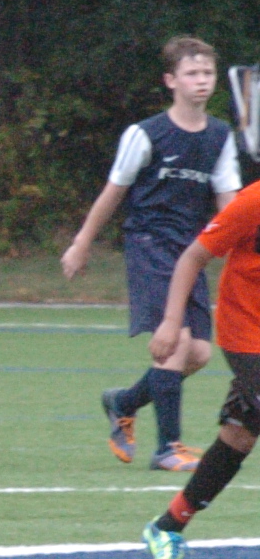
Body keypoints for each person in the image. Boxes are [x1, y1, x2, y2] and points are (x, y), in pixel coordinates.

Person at [68, 35, 241, 473]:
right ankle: (168, 448)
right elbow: (114, 191)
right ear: (170, 80)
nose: (202, 81)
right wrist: (82, 242)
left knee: (198, 353)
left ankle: (124, 402)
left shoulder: (220, 136)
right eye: (192, 73)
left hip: (191, 251)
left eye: (207, 73)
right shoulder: (145, 134)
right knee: (175, 342)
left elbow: (230, 204)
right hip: (150, 245)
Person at [139, 177, 260, 559]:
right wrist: (171, 321)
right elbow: (192, 258)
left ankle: (167, 527)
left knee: (240, 435)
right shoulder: (252, 202)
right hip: (246, 332)